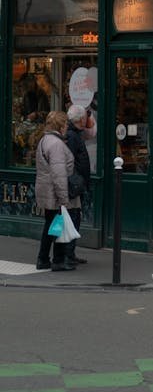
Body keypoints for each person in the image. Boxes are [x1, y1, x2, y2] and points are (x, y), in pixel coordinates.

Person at [34, 110, 81, 272]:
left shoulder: (44, 140)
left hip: (47, 191)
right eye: (66, 124)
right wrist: (64, 199)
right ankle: (57, 260)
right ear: (61, 126)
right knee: (57, 227)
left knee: (51, 226)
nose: (67, 127)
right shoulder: (56, 145)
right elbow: (59, 174)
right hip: (55, 194)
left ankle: (43, 259)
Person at [64, 104, 92, 265]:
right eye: (85, 117)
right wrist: (76, 181)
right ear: (81, 119)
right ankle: (68, 254)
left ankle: (70, 253)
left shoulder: (74, 134)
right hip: (73, 185)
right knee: (73, 218)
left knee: (75, 218)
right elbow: (69, 161)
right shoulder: (72, 136)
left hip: (76, 184)